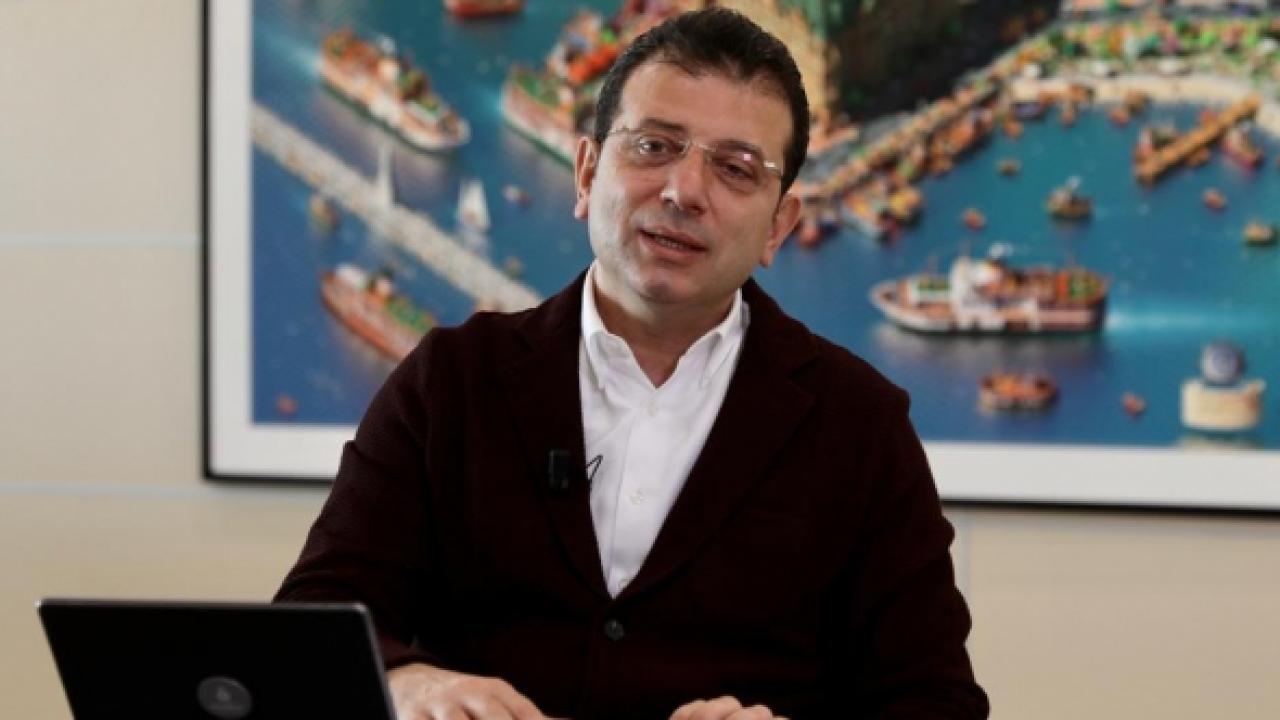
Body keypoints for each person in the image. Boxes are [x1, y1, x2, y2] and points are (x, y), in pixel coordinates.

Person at [277, 8, 988, 720]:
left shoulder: (860, 424)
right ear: (587, 173)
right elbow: (310, 626)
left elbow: (937, 702)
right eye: (653, 146)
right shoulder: (450, 381)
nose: (684, 191)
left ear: (778, 226)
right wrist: (407, 683)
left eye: (736, 169)